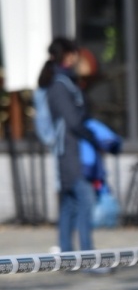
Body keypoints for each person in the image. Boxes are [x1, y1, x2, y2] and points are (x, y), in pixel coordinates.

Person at [37, 37, 101, 253]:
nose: (77, 58)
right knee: (85, 200)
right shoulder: (61, 85)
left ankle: (66, 254)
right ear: (68, 55)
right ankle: (88, 257)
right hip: (72, 153)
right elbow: (73, 121)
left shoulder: (63, 82)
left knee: (69, 203)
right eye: (75, 53)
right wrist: (92, 137)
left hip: (69, 152)